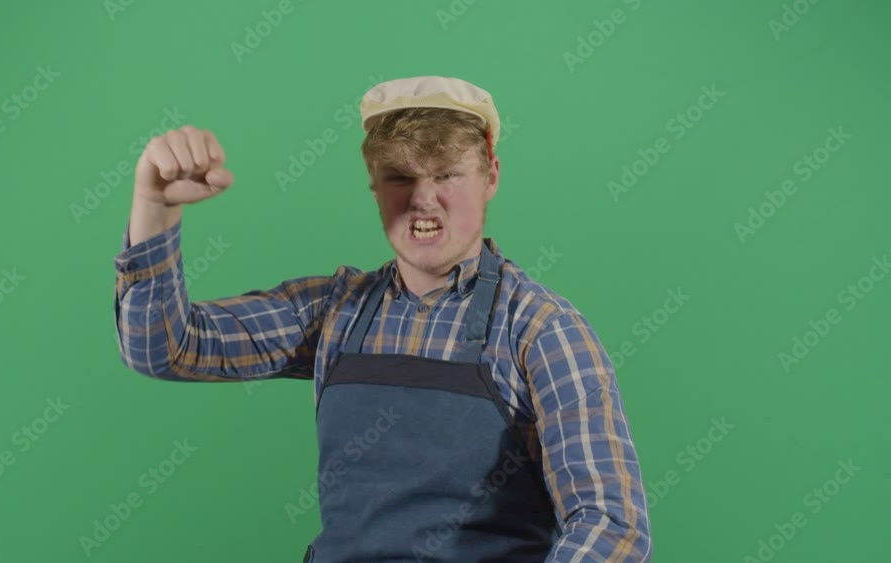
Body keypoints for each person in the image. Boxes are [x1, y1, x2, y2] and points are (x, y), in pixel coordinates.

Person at [113, 76, 652, 562]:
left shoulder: (540, 328)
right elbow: (165, 348)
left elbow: (611, 527)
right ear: (373, 184)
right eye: (399, 177)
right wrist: (153, 205)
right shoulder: (334, 312)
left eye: (446, 174)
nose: (423, 199)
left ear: (490, 176)